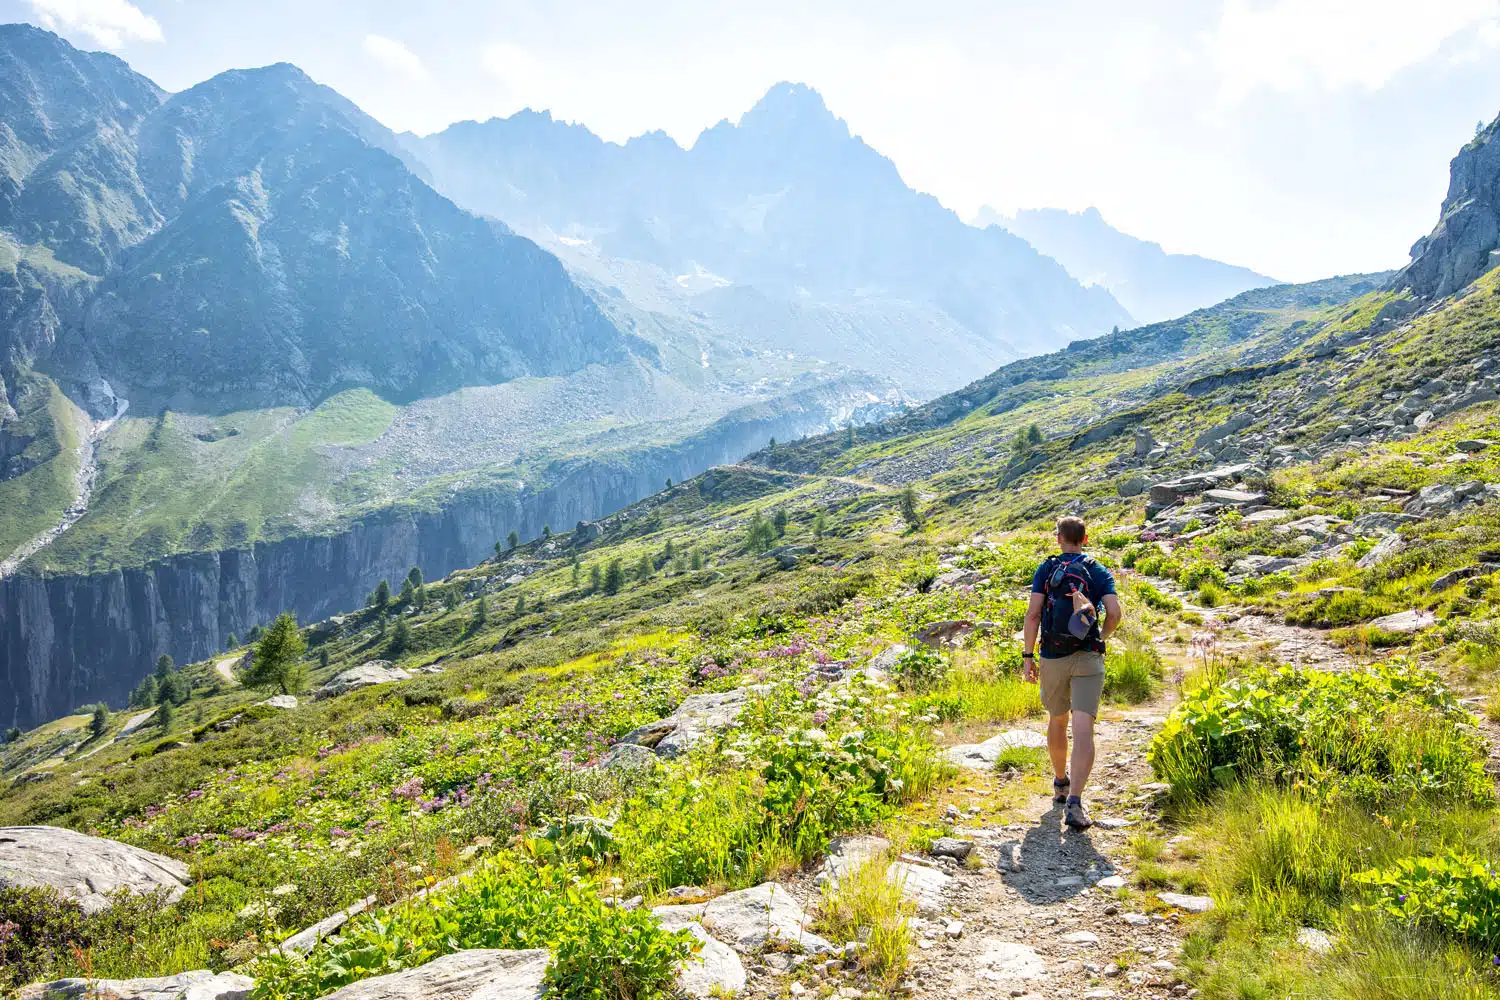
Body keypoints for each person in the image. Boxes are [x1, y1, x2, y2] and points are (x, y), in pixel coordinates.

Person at [1022, 515, 1122, 829]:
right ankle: (1077, 802)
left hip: (1052, 654)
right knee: (1083, 728)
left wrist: (1028, 656)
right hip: (1089, 655)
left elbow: (1034, 614)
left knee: (1057, 718)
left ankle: (1060, 783)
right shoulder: (1096, 570)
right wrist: (1100, 636)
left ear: (1059, 539)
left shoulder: (1047, 569)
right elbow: (1115, 613)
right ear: (1085, 539)